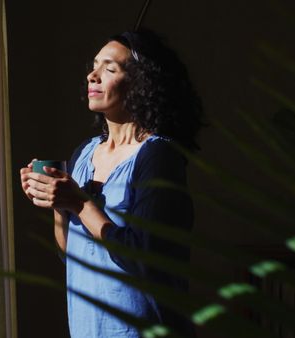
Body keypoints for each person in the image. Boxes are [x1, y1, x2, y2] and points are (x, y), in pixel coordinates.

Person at [19, 29, 202, 337]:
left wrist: (79, 202)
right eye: (94, 65)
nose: (93, 75)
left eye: (110, 68)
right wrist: (56, 202)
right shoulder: (85, 153)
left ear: (142, 85)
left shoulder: (158, 156)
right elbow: (70, 252)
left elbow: (144, 257)